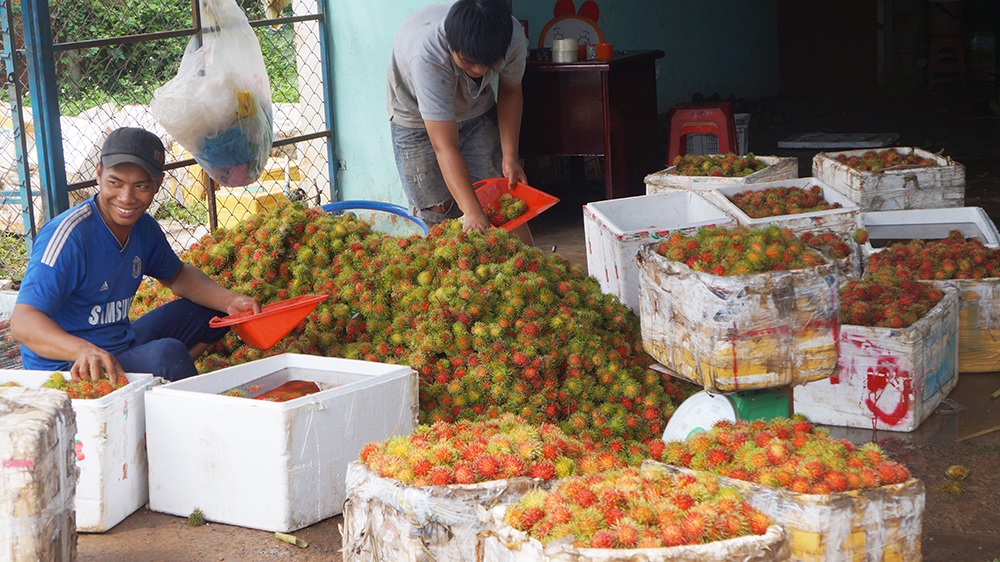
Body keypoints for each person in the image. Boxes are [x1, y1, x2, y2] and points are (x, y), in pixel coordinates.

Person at [10, 127, 260, 383]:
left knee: (211, 313)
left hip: (120, 346)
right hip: (70, 367)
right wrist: (83, 350)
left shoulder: (144, 228)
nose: (126, 198)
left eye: (140, 186)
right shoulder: (68, 237)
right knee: (167, 355)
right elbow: (23, 322)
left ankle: (159, 384)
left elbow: (177, 276)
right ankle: (170, 391)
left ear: (157, 184)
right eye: (115, 183)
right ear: (99, 174)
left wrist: (230, 301)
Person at [387, 0, 533, 246]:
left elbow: (511, 92)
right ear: (450, 45)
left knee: (499, 199)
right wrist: (472, 211)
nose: (477, 70)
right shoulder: (427, 55)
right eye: (467, 62)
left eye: (487, 64)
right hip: (415, 119)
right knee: (437, 212)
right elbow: (444, 146)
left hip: (476, 108)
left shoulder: (512, 38)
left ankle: (534, 273)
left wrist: (511, 157)